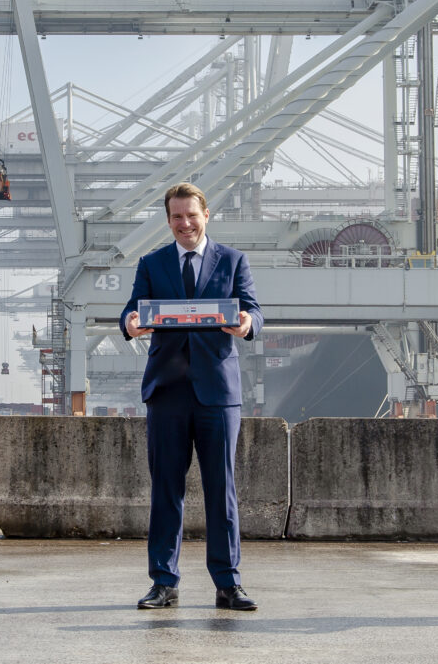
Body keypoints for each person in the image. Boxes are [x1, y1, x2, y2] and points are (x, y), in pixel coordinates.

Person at [120, 182, 263, 612]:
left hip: (218, 393)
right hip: (167, 392)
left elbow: (255, 312)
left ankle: (228, 583)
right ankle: (163, 582)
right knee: (166, 489)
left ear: (206, 216)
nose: (185, 223)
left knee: (222, 490)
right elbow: (130, 312)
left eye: (191, 215)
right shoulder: (152, 263)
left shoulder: (234, 261)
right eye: (176, 217)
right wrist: (129, 323)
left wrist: (244, 324)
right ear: (168, 221)